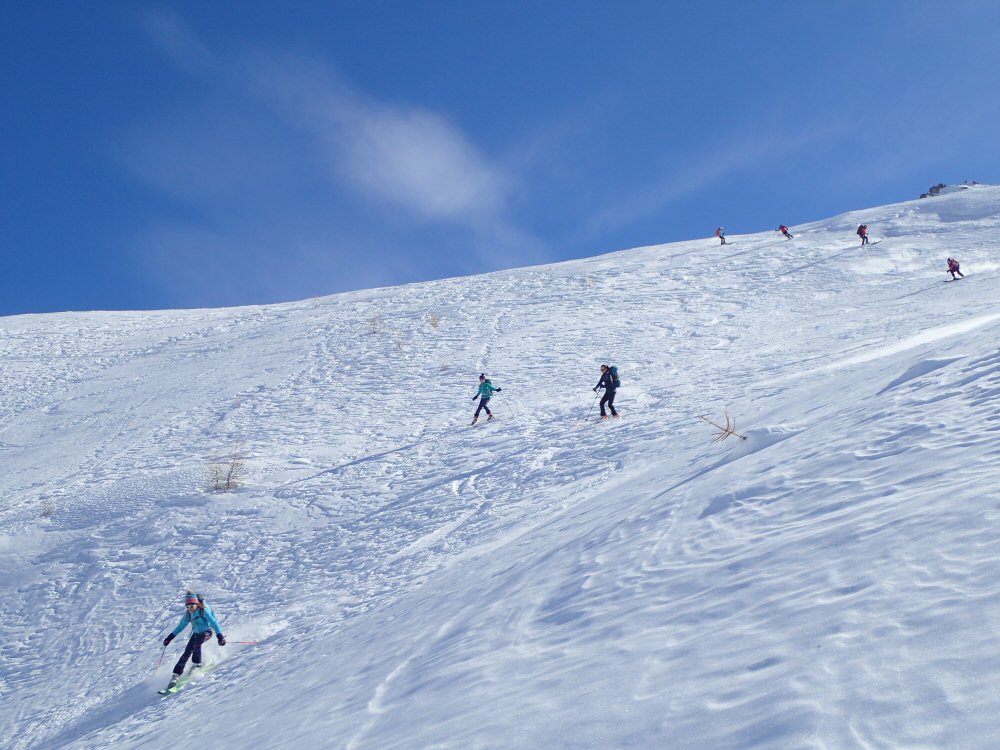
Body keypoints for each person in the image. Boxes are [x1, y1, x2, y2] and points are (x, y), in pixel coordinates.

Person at [161, 591, 225, 690]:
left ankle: (197, 664)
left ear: (197, 604)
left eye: (192, 606)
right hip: (196, 634)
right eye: (188, 607)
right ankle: (176, 675)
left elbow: (214, 622)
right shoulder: (188, 615)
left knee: (197, 642)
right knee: (186, 653)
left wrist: (220, 636)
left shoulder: (203, 611)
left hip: (207, 632)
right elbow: (180, 627)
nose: (190, 609)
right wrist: (170, 637)